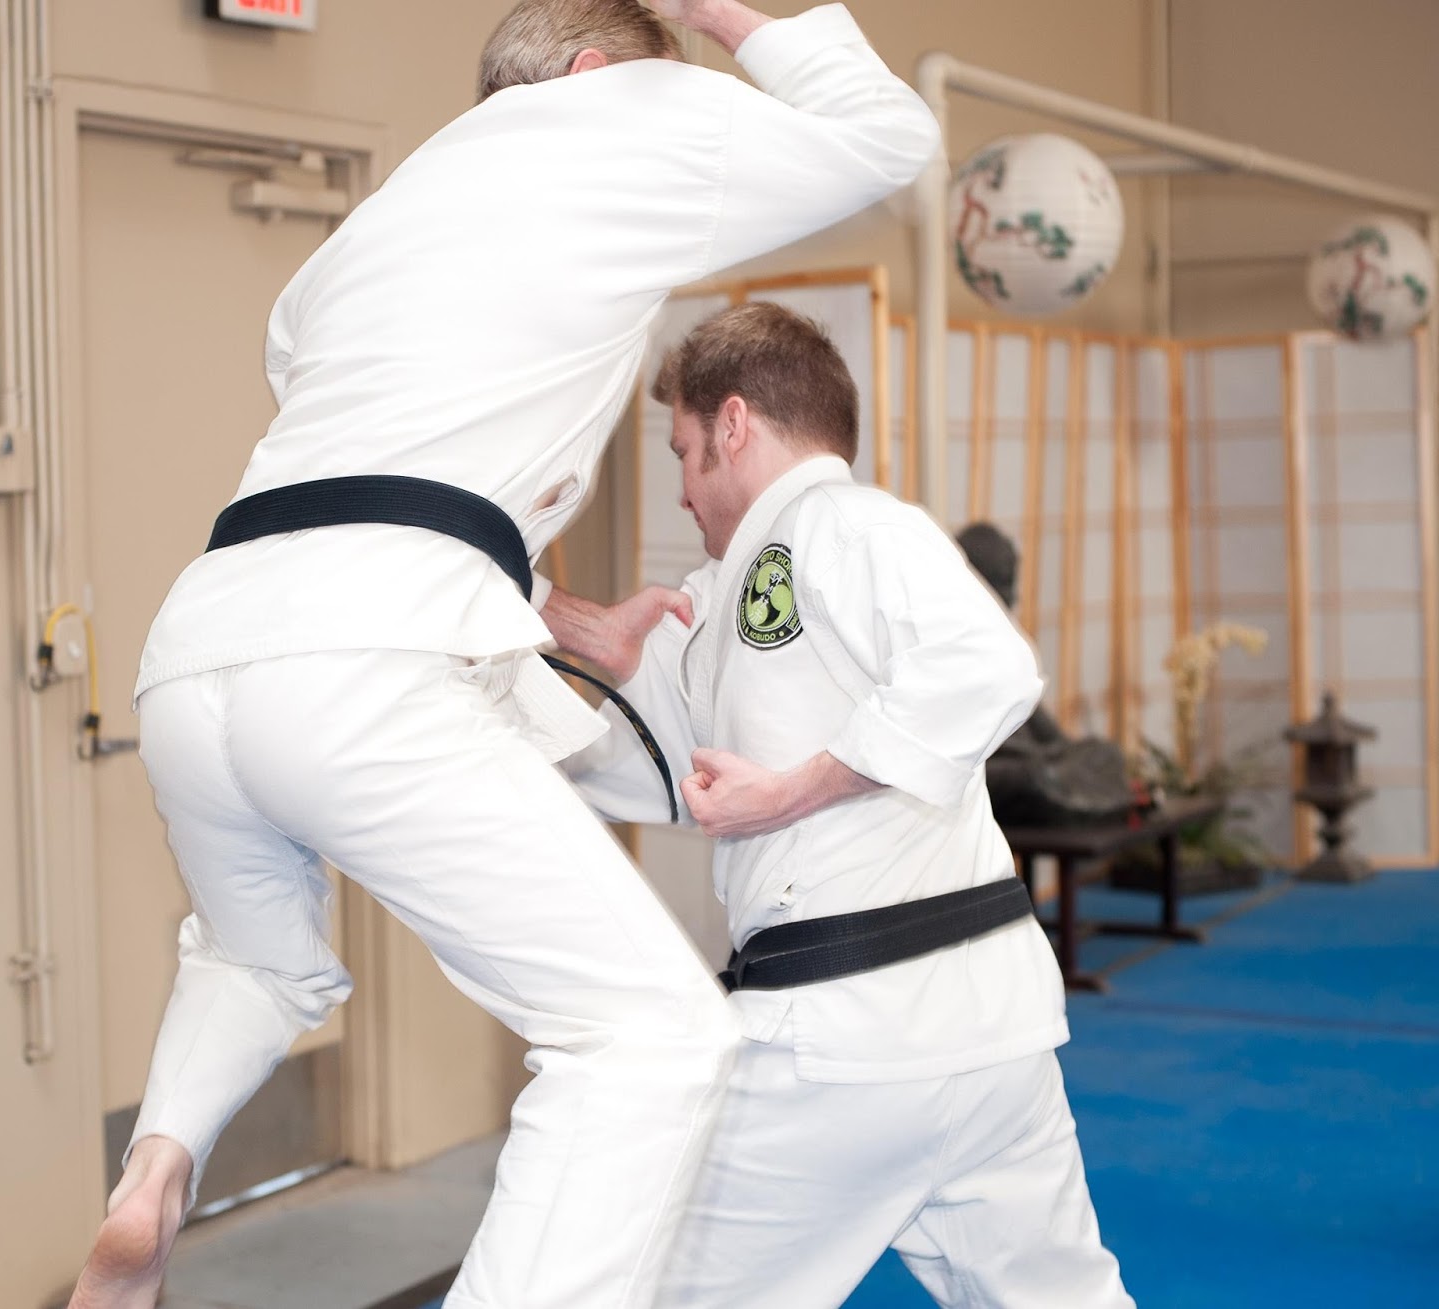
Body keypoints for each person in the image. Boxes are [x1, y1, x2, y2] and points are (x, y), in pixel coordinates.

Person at [68, 3, 941, 1306]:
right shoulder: (617, 115)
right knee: (644, 1037)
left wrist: (560, 618)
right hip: (369, 663)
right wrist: (715, 16)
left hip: (203, 652)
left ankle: (159, 1167)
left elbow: (395, 450)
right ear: (598, 73)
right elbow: (887, 135)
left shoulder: (368, 232)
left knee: (257, 956)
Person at [552, 302, 1134, 1308]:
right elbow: (675, 776)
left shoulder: (847, 523)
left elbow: (987, 667)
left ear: (734, 425)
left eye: (684, 451)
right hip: (987, 1031)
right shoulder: (721, 597)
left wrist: (794, 789)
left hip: (847, 1035)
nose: (684, 488)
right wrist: (571, 644)